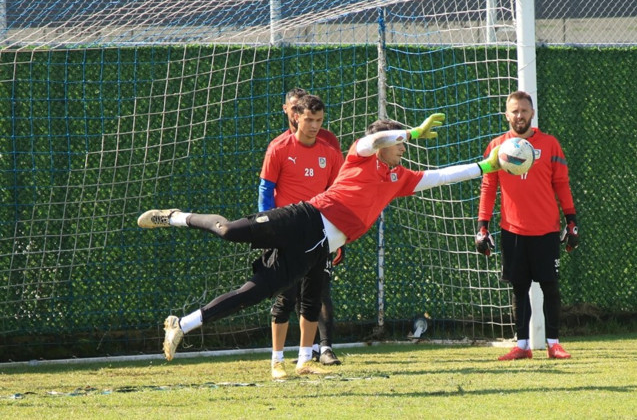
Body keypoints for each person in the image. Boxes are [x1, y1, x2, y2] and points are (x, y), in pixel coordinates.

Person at [137, 112, 502, 370]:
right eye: (399, 142)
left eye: (403, 142)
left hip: (318, 248)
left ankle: (182, 324)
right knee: (230, 231)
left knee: (255, 292)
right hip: (304, 219)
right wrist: (411, 132)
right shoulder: (361, 156)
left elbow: (442, 176)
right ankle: (176, 217)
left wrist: (487, 166)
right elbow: (374, 139)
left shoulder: (400, 178)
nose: (403, 148)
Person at [475, 90, 579, 361]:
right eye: (514, 111)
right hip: (512, 230)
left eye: (524, 110)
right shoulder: (497, 147)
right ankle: (522, 345)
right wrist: (482, 225)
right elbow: (488, 187)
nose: (519, 115)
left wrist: (572, 220)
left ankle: (554, 344)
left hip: (546, 230)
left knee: (550, 287)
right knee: (519, 289)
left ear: (532, 113)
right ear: (506, 115)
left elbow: (561, 184)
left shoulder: (550, 144)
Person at [258, 92, 344, 378]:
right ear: (296, 117)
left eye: (319, 120)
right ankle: (277, 362)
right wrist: (267, 227)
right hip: (285, 234)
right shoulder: (279, 148)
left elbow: (337, 195)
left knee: (313, 298)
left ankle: (306, 360)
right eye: (309, 120)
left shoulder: (329, 154)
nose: (314, 126)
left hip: (318, 234)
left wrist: (339, 234)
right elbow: (266, 190)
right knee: (285, 298)